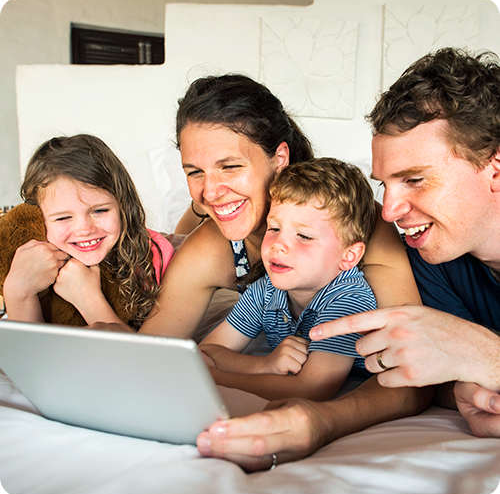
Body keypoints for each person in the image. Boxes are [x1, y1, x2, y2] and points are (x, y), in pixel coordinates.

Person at [194, 48, 500, 470]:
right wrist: (464, 387)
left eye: (415, 180)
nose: (388, 212)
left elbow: (474, 356)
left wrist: (487, 356)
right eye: (385, 185)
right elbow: (424, 379)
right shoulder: (432, 257)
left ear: (495, 168)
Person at [136, 73, 432, 470]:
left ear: (279, 158)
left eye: (230, 166)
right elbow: (150, 358)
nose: (210, 191)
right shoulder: (211, 249)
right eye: (194, 172)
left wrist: (319, 419)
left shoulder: (359, 226)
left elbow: (414, 374)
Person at [199, 158, 377, 401]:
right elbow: (207, 351)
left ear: (349, 256)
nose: (278, 245)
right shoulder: (265, 289)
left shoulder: (349, 299)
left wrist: (215, 377)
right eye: (273, 229)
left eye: (303, 235)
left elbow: (311, 389)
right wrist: (264, 365)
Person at [3, 134, 175, 329]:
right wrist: (18, 291)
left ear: (123, 206)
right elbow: (28, 355)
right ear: (37, 217)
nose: (85, 229)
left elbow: (148, 356)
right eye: (63, 217)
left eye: (99, 210)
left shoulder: (152, 255)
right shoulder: (25, 261)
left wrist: (88, 299)